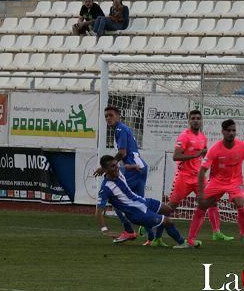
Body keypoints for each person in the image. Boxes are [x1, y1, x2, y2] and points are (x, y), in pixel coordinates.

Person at [187, 119, 244, 248]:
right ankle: (191, 239)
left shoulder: (243, 146)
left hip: (236, 182)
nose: (231, 133)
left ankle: (243, 234)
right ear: (223, 132)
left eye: (234, 130)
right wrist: (201, 192)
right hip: (217, 182)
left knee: (242, 204)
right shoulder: (215, 149)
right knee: (202, 205)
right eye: (229, 130)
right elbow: (202, 170)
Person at [96, 155, 192, 249]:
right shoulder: (106, 188)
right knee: (168, 221)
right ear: (106, 169)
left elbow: (122, 163)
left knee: (167, 210)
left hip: (143, 202)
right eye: (112, 166)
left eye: (116, 165)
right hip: (137, 213)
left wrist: (103, 168)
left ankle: (157, 240)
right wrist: (105, 230)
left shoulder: (118, 171)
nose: (116, 168)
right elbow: (98, 211)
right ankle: (182, 243)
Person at [168, 110, 234, 242]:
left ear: (201, 120)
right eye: (193, 118)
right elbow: (176, 156)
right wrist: (195, 155)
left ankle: (217, 232)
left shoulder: (203, 137)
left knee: (211, 201)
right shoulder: (184, 136)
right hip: (184, 176)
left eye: (198, 118)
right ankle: (151, 226)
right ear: (189, 121)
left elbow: (204, 155)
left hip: (198, 177)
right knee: (171, 206)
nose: (196, 120)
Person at [95, 105, 156, 245]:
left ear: (118, 116)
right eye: (106, 116)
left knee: (115, 199)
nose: (108, 118)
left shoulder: (120, 129)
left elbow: (122, 152)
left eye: (111, 115)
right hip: (141, 166)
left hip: (132, 169)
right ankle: (151, 237)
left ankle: (129, 231)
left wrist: (106, 168)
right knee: (140, 202)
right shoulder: (123, 129)